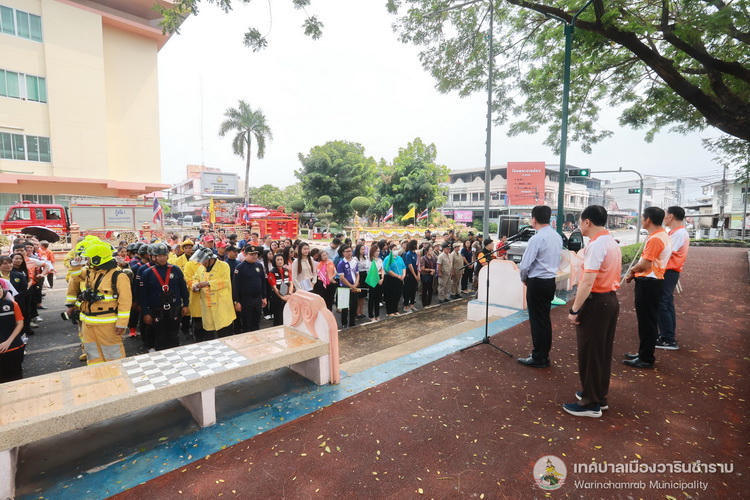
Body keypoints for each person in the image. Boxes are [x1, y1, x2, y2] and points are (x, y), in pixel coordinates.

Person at [563, 205, 622, 418]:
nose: (579, 226)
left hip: (597, 302)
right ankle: (597, 395)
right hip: (609, 300)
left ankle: (590, 403)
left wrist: (574, 309)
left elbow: (587, 282)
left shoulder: (596, 245)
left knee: (590, 353)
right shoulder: (611, 241)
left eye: (580, 222)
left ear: (587, 221)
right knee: (601, 352)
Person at [65, 241, 132, 365]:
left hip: (107, 324)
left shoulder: (118, 276)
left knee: (113, 355)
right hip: (88, 322)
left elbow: (125, 302)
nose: (86, 261)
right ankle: (96, 374)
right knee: (93, 354)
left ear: (97, 259)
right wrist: (74, 265)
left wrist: (122, 324)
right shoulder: (92, 271)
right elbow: (75, 277)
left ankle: (116, 375)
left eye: (88, 258)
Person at [624, 207, 671, 369]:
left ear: (648, 220)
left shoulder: (656, 238)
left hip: (649, 282)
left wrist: (631, 271)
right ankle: (643, 353)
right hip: (652, 281)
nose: (641, 221)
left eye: (642, 218)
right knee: (647, 321)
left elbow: (644, 264)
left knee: (647, 322)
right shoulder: (660, 235)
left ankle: (646, 358)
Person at [517, 205, 563, 368]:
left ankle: (538, 357)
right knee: (544, 319)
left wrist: (524, 279)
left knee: (537, 321)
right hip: (550, 281)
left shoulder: (536, 239)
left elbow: (525, 265)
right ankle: (543, 355)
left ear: (534, 219)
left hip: (537, 282)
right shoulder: (557, 236)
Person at [140, 243, 189, 351]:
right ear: (154, 257)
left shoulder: (176, 270)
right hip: (156, 309)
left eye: (164, 255)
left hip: (174, 308)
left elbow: (183, 289)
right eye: (159, 256)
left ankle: (176, 356)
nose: (162, 258)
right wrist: (146, 313)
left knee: (174, 336)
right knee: (160, 337)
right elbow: (143, 295)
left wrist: (185, 304)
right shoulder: (147, 273)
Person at [656, 206, 690, 351]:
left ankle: (668, 338)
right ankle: (667, 335)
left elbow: (666, 253)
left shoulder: (678, 234)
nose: (663, 218)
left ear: (670, 217)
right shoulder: (676, 232)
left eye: (665, 215)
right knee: (666, 303)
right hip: (670, 272)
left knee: (662, 303)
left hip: (669, 272)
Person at [192, 247, 235, 338]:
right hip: (207, 306)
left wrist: (208, 283)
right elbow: (195, 278)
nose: (202, 263)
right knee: (209, 333)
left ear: (211, 259)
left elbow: (225, 281)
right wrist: (195, 285)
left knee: (225, 333)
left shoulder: (224, 266)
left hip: (221, 306)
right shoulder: (201, 268)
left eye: (204, 261)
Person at [232, 245, 268, 332]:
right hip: (245, 300)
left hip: (257, 298)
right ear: (245, 254)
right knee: (247, 323)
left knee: (256, 321)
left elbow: (263, 282)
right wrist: (236, 301)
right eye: (251, 254)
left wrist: (264, 297)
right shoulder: (240, 267)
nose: (254, 256)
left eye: (256, 254)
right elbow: (235, 286)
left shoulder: (259, 265)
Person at [0, 280, 25, 382]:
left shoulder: (12, 305)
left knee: (15, 379)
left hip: (14, 348)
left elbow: (20, 323)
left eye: (0, 288)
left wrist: (8, 342)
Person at [184, 245, 207, 341]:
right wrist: (195, 286)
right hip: (196, 297)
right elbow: (188, 279)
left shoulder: (207, 263)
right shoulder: (189, 265)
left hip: (208, 297)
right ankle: (198, 340)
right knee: (198, 322)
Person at [336, 245, 360, 328]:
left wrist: (355, 284)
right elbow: (342, 277)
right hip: (344, 287)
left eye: (350, 251)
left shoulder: (354, 262)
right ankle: (344, 323)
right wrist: (350, 285)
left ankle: (352, 322)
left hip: (354, 286)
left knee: (354, 305)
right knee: (344, 306)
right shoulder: (341, 263)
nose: (349, 253)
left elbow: (357, 274)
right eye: (347, 251)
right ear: (343, 253)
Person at [268, 253, 294, 326]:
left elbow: (291, 283)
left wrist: (289, 294)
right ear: (274, 261)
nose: (280, 261)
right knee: (278, 317)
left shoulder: (287, 270)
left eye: (281, 259)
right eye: (278, 260)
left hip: (287, 295)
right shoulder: (272, 272)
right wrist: (282, 297)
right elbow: (274, 287)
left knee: (288, 316)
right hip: (277, 297)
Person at [382, 244, 406, 317]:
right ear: (390, 250)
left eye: (396, 249)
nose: (396, 251)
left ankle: (395, 310)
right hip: (391, 279)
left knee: (397, 295)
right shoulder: (387, 259)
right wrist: (397, 276)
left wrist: (403, 275)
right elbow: (388, 270)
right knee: (390, 295)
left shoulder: (399, 258)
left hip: (400, 278)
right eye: (394, 249)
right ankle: (389, 311)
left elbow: (403, 267)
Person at [365, 242, 384, 321]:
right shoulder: (369, 260)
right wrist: (377, 279)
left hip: (379, 278)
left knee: (378, 298)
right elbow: (370, 271)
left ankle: (377, 315)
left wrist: (382, 278)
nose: (377, 253)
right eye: (376, 251)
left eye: (378, 251)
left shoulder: (380, 260)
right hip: (372, 279)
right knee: (372, 298)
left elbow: (382, 269)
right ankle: (371, 315)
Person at [402, 240, 419, 313]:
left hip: (415, 271)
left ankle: (412, 304)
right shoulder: (408, 254)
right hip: (409, 273)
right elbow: (410, 266)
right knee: (408, 290)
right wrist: (415, 275)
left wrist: (418, 274)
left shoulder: (415, 254)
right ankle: (406, 306)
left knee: (413, 289)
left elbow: (417, 264)